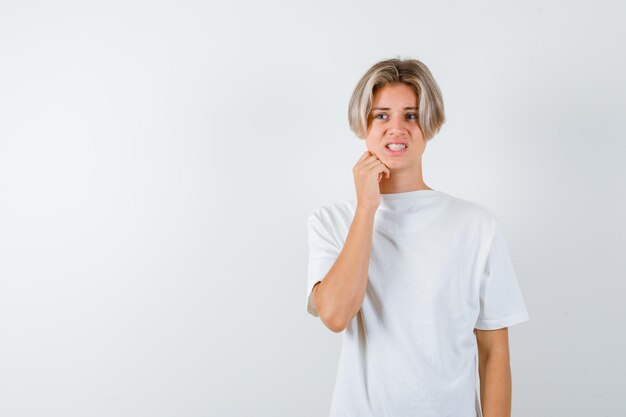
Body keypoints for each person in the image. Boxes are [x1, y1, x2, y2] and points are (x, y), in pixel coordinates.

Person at [305, 57, 530, 417]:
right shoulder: (331, 221)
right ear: (362, 123)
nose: (397, 128)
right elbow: (334, 315)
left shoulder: (475, 225)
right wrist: (366, 208)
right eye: (381, 115)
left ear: (430, 123)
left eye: (410, 115)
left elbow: (494, 352)